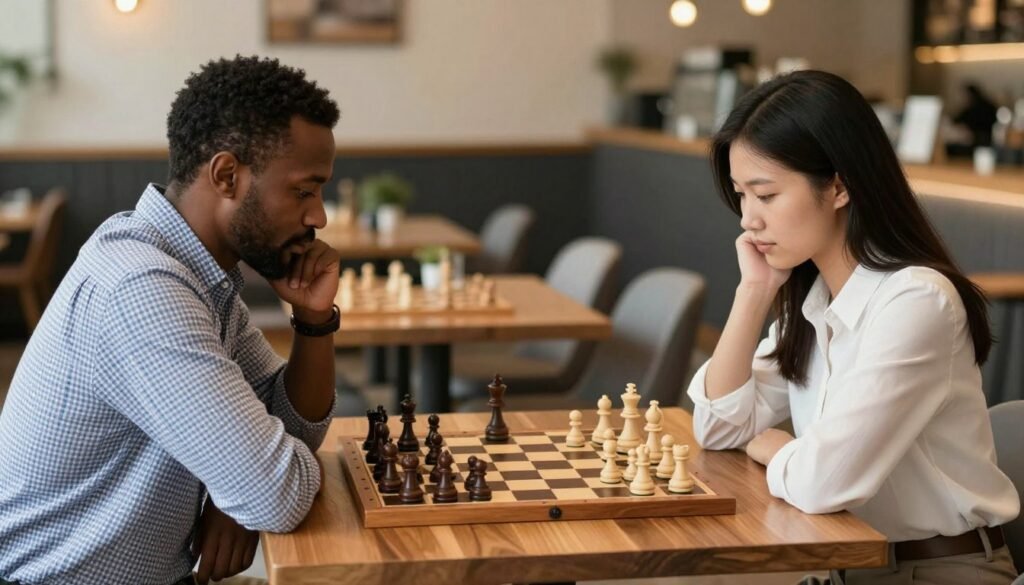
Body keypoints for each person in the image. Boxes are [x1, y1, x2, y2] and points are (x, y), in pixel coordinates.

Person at [0, 55, 342, 585]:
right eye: (304, 190)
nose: (319, 216)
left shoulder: (197, 272)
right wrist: (246, 485)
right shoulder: (142, 289)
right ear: (227, 175)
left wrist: (314, 321)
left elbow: (291, 424)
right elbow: (275, 494)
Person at [687, 70, 1020, 584]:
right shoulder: (816, 300)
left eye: (766, 195)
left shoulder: (915, 302)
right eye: (741, 195)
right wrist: (753, 293)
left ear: (839, 186)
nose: (747, 219)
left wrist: (776, 445)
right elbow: (718, 427)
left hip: (939, 571)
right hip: (846, 563)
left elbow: (824, 483)